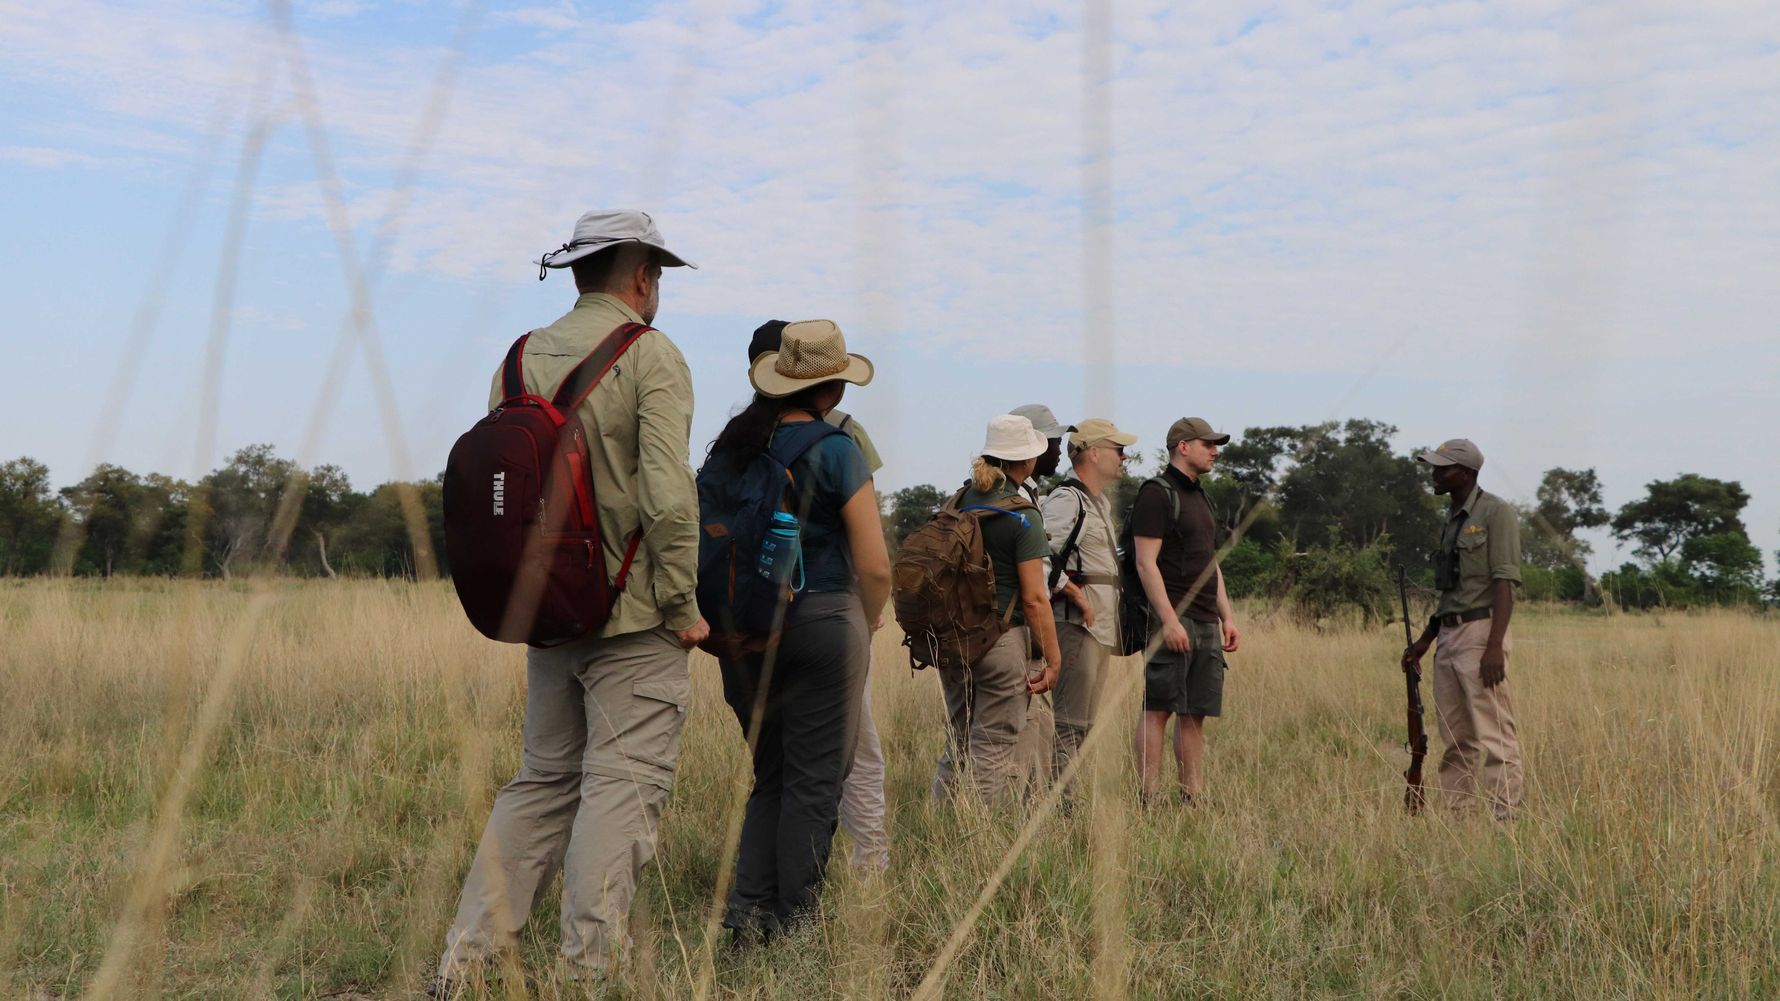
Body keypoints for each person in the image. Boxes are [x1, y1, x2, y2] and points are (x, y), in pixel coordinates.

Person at [431, 210, 708, 994]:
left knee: (541, 782)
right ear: (643, 276)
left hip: (548, 613)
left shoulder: (518, 359)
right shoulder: (651, 354)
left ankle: (464, 964)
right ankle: (588, 974)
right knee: (620, 790)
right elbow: (668, 497)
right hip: (634, 617)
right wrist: (682, 604)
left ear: (579, 272)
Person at [710, 320, 892, 941]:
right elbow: (875, 565)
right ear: (833, 389)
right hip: (822, 620)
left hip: (742, 630)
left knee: (771, 776)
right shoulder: (837, 449)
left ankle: (745, 916)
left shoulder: (733, 446)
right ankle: (796, 925)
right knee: (814, 783)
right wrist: (869, 615)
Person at [931, 415, 1064, 801]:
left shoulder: (958, 501)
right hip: (1001, 641)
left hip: (953, 638)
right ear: (1027, 460)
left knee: (958, 742)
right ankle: (982, 838)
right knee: (991, 752)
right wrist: (1053, 659)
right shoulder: (1023, 514)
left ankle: (941, 826)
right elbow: (1034, 598)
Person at [1401, 439, 1523, 821]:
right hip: (1450, 636)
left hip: (1481, 633)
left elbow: (1505, 583)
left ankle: (1505, 824)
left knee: (1495, 735)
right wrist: (1426, 640)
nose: (1434, 474)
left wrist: (1494, 646)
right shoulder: (1452, 517)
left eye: (1443, 468)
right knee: (1455, 738)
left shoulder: (1495, 512)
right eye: (1434, 467)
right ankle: (1460, 821)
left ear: (1466, 473)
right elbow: (1451, 593)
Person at [1131, 417, 1241, 806]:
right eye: (1207, 444)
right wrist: (1169, 620)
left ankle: (1192, 797)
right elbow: (1145, 563)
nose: (1215, 451)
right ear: (1183, 446)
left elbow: (1210, 563)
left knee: (1195, 712)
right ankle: (1148, 798)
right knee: (1158, 709)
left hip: (1206, 620)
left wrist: (1227, 616)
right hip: (1173, 619)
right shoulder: (1156, 494)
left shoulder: (1201, 496)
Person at [1042, 419, 1136, 786]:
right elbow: (1039, 558)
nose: (1124, 457)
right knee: (1070, 725)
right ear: (1094, 453)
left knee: (1084, 725)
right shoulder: (1067, 500)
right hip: (1075, 627)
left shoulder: (1096, 502)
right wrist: (1073, 593)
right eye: (1118, 449)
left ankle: (1064, 802)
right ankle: (1058, 806)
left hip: (1098, 630)